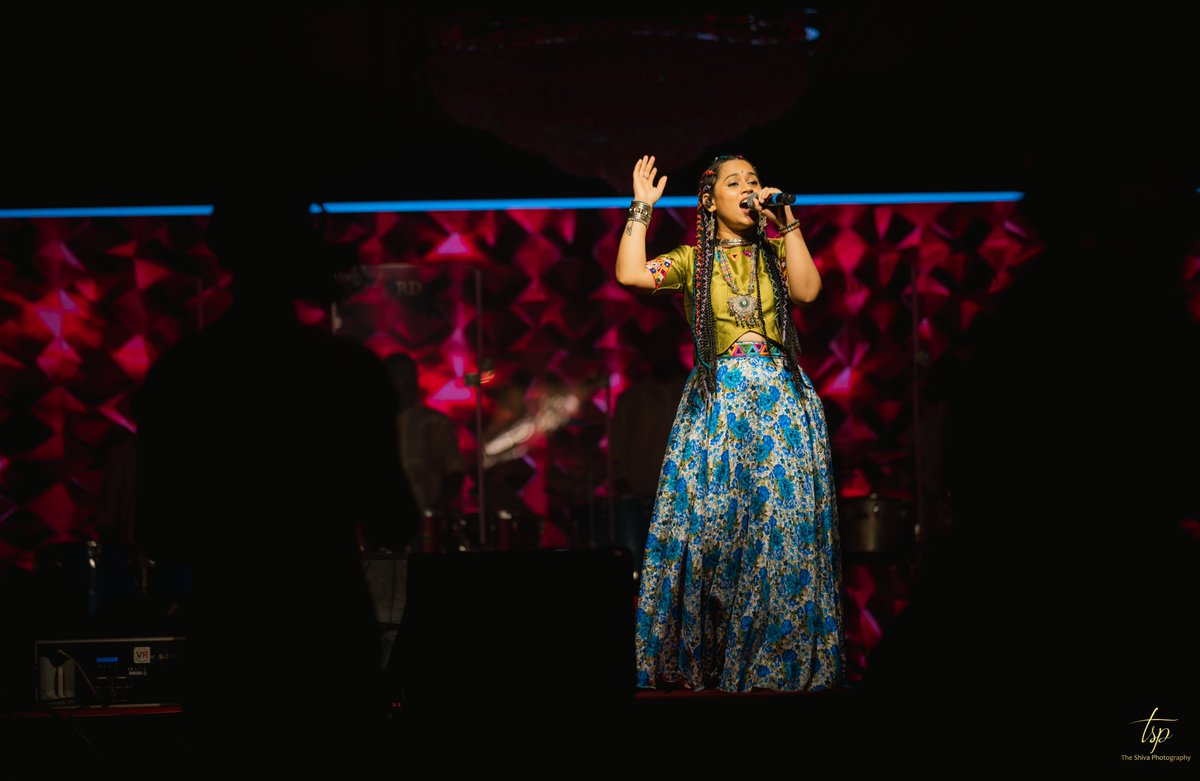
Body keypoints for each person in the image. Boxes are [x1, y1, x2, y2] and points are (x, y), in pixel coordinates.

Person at [135, 186, 417, 746]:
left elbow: (159, 532)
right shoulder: (347, 371)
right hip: (329, 646)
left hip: (229, 649)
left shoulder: (181, 373)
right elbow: (394, 521)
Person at [615, 154, 843, 691]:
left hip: (782, 408)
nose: (748, 188)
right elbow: (630, 274)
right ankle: (716, 662)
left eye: (754, 180)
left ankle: (778, 666)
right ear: (709, 200)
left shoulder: (776, 252)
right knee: (716, 535)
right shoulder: (692, 260)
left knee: (782, 535)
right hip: (720, 409)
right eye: (734, 181)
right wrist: (641, 209)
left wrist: (787, 220)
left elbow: (809, 291)